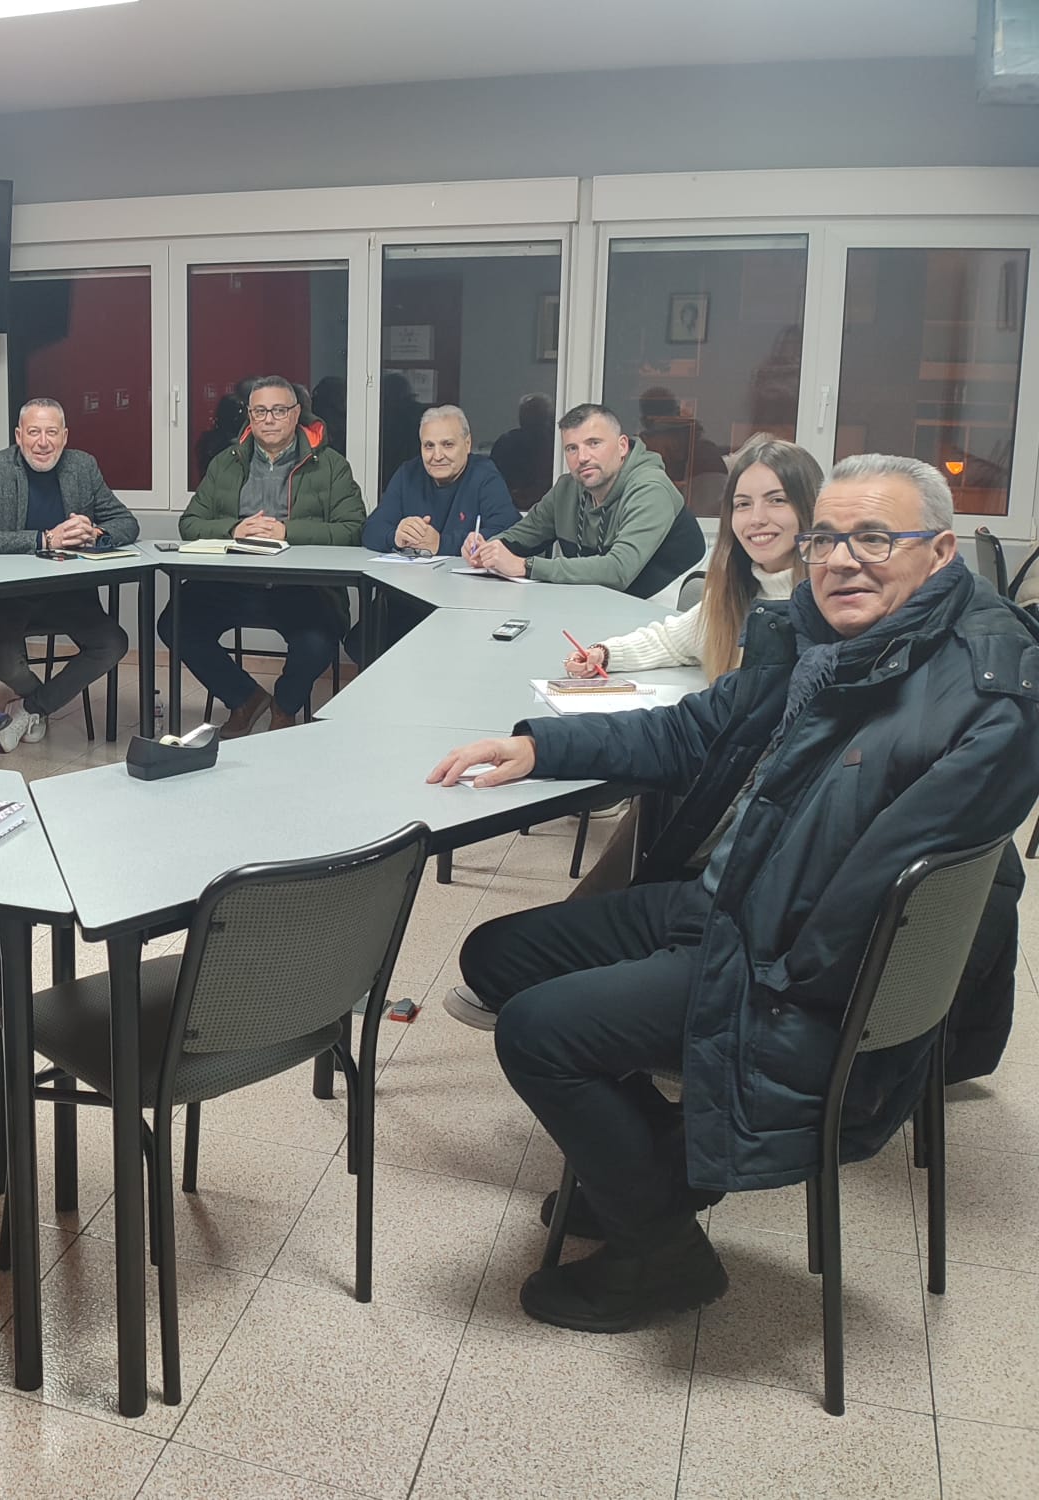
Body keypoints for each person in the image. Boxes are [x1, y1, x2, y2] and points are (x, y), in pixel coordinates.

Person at [425, 454, 1039, 1332]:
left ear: (940, 552)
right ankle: (653, 1167)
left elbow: (866, 917)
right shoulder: (827, 638)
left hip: (787, 966)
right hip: (738, 904)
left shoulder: (982, 698)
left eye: (875, 538)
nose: (841, 560)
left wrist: (733, 982)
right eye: (829, 538)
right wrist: (539, 748)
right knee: (496, 954)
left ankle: (660, 1250)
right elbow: (696, 728)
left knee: (538, 1033)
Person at [161, 375, 366, 736]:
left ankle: (284, 706)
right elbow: (190, 524)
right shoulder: (226, 462)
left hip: (302, 588)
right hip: (232, 583)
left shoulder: (331, 465)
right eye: (259, 411)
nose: (269, 419)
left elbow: (353, 530)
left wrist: (289, 531)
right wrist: (233, 529)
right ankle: (244, 697)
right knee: (174, 622)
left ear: (296, 413)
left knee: (318, 642)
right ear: (250, 416)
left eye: (278, 410)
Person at [562, 435, 821, 681]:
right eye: (742, 504)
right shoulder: (734, 597)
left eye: (776, 500)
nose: (756, 519)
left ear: (811, 507)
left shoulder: (832, 607)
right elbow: (670, 640)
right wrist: (604, 655)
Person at [0, 398, 139, 751]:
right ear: (18, 436)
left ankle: (30, 708)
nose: (43, 442)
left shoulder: (82, 466)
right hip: (10, 597)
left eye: (51, 433)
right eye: (33, 432)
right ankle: (35, 702)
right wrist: (45, 539)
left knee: (113, 644)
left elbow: (127, 522)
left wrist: (97, 534)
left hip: (69, 594)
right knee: (3, 662)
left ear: (65, 436)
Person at [465, 402, 704, 598]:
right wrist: (487, 549)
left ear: (622, 446)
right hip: (601, 610)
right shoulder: (567, 489)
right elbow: (521, 537)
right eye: (572, 448)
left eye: (593, 443)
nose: (582, 457)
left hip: (663, 616)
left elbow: (618, 571)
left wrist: (526, 566)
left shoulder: (651, 489)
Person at [362, 405, 520, 557]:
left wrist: (441, 544)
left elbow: (508, 533)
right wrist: (396, 537)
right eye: (429, 446)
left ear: (467, 444)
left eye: (448, 445)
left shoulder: (484, 475)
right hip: (410, 578)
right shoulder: (408, 473)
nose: (437, 456)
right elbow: (371, 530)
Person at [489, 393, 556, 511]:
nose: (534, 419)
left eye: (538, 414)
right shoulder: (507, 443)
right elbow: (494, 484)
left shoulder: (557, 445)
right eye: (531, 414)